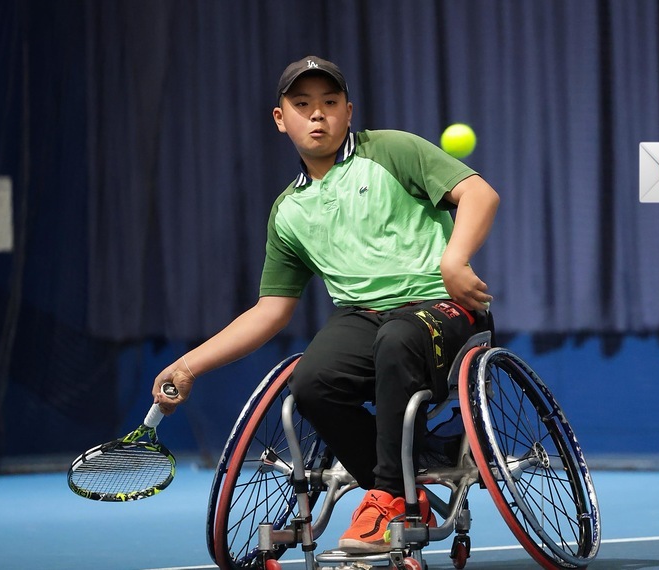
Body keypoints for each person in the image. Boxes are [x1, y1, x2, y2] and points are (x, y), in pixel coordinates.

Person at [152, 55, 500, 554]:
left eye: (330, 102)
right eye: (302, 104)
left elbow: (480, 194)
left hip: (444, 306)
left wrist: (455, 258)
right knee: (312, 382)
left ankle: (388, 497)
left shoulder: (393, 150)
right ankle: (407, 483)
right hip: (363, 317)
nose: (318, 114)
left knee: (398, 338)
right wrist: (188, 366)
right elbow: (270, 310)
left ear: (348, 111)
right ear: (281, 119)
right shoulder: (289, 211)